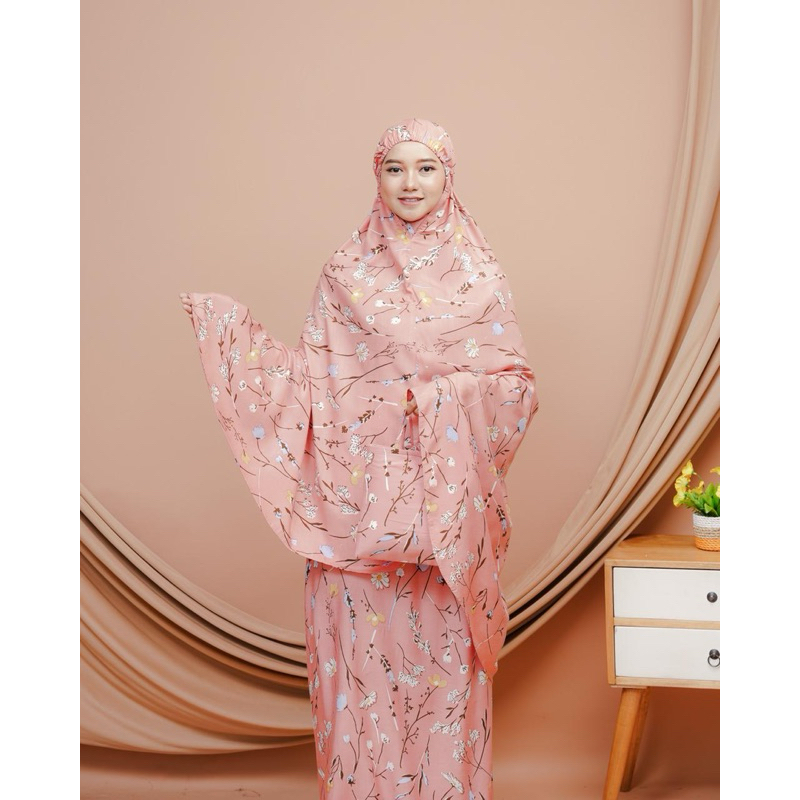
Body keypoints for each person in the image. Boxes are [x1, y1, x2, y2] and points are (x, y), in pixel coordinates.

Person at [180, 118, 538, 799]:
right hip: (356, 514)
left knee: (441, 675)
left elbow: (516, 391)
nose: (410, 183)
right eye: (395, 168)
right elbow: (316, 385)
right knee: (360, 674)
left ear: (449, 177)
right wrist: (236, 344)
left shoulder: (478, 275)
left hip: (442, 523)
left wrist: (437, 400)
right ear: (377, 177)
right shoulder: (344, 273)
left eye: (426, 168)